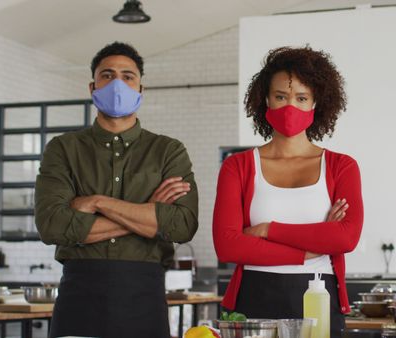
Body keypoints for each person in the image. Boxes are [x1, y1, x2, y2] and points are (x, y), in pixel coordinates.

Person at [35, 42, 198, 338]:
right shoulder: (63, 148)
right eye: (107, 75)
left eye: (128, 76)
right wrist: (147, 213)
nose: (117, 83)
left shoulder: (167, 150)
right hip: (79, 295)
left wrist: (96, 202)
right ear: (92, 87)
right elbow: (52, 226)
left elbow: (183, 226)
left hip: (144, 295)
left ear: (141, 89)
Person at [212, 46, 363, 338]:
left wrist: (268, 229)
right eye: (281, 96)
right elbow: (228, 245)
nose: (290, 107)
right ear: (266, 99)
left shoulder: (341, 166)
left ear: (315, 102)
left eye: (301, 98)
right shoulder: (238, 167)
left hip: (318, 295)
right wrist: (311, 248)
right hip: (255, 298)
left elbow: (345, 237)